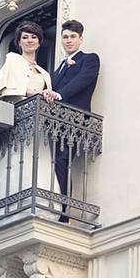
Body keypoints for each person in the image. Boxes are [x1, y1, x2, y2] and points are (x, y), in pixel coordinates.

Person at [42, 19, 101, 221]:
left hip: (77, 122)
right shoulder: (58, 67)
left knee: (63, 160)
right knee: (56, 162)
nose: (68, 41)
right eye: (65, 37)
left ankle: (65, 213)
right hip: (56, 124)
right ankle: (59, 207)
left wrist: (58, 95)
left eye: (73, 37)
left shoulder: (90, 59)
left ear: (80, 39)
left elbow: (83, 81)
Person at [0, 21, 52, 101]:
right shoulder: (13, 59)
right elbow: (7, 86)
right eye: (25, 37)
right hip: (15, 108)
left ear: (39, 43)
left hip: (37, 111)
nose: (30, 40)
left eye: (34, 37)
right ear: (19, 43)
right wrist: (34, 93)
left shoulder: (45, 74)